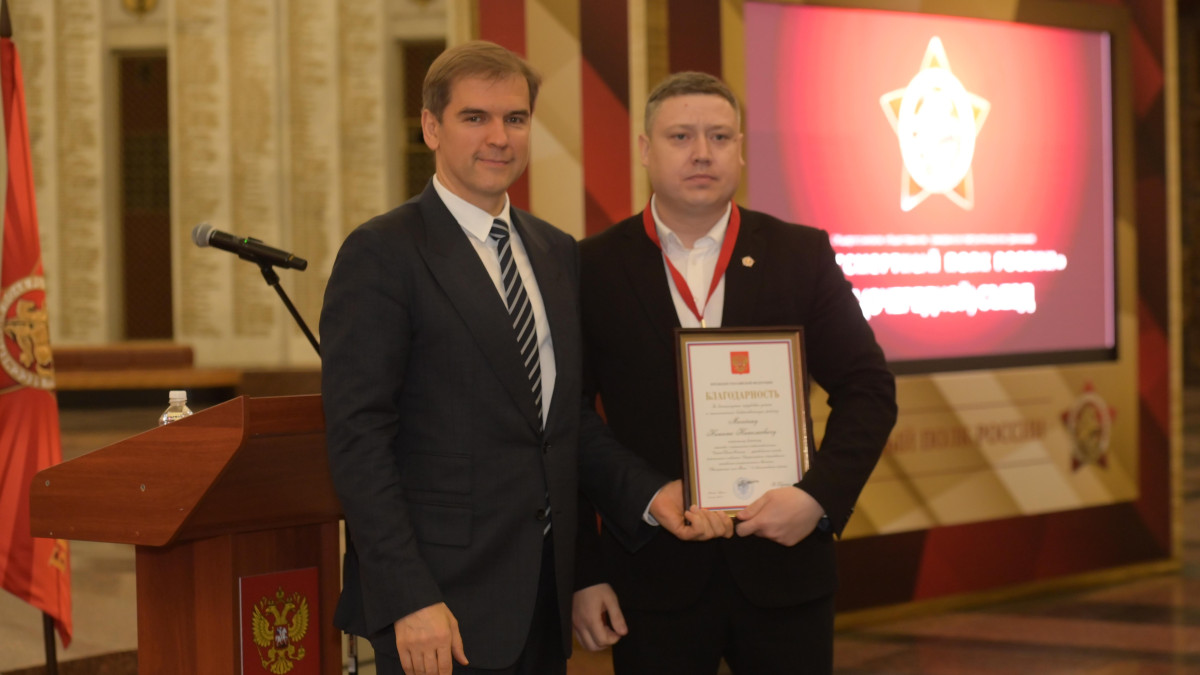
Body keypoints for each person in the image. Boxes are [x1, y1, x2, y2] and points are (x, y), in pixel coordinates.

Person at [321, 44, 732, 675]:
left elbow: (562, 427)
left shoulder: (554, 250)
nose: (499, 137)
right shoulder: (384, 252)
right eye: (475, 118)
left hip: (540, 599)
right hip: (438, 605)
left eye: (515, 119)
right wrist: (409, 596)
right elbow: (359, 440)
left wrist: (639, 506)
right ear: (431, 127)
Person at [571, 71, 898, 674]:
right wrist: (595, 559)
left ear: (740, 150)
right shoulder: (591, 267)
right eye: (680, 136)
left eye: (719, 136)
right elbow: (568, 418)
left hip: (786, 571)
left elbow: (868, 390)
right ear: (645, 148)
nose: (702, 152)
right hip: (651, 576)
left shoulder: (801, 255)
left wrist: (816, 497)